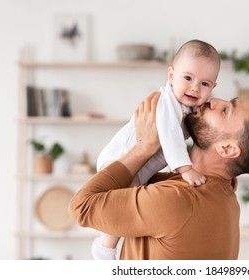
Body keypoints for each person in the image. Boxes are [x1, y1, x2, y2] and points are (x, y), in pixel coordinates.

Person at [69, 91, 249, 260]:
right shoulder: (222, 196)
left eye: (226, 111)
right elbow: (134, 186)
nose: (214, 101)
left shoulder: (179, 200)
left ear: (227, 150)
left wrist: (145, 146)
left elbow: (82, 207)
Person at [92, 39, 221, 259]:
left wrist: (220, 170)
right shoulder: (167, 102)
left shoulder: (190, 108)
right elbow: (171, 135)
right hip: (121, 159)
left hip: (141, 167)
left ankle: (110, 246)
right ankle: (105, 247)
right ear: (171, 76)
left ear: (213, 87)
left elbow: (201, 134)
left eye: (205, 84)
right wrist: (185, 169)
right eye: (188, 78)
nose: (195, 87)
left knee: (131, 202)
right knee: (125, 203)